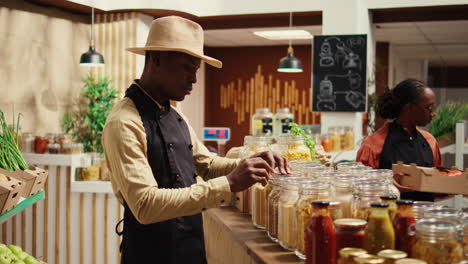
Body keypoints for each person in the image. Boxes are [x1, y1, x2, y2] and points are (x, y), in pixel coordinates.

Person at [102, 16, 290, 264]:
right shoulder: (124, 122)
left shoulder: (175, 113)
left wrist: (249, 163)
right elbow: (145, 204)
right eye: (187, 68)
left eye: (196, 70)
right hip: (149, 254)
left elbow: (206, 165)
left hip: (189, 249)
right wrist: (229, 184)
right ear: (156, 60)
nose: (193, 79)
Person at [356, 79, 441, 201]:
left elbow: (438, 183)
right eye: (429, 108)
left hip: (424, 216)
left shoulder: (430, 141)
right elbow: (360, 191)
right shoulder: (373, 145)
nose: (433, 114)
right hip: (388, 217)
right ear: (408, 108)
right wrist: (384, 185)